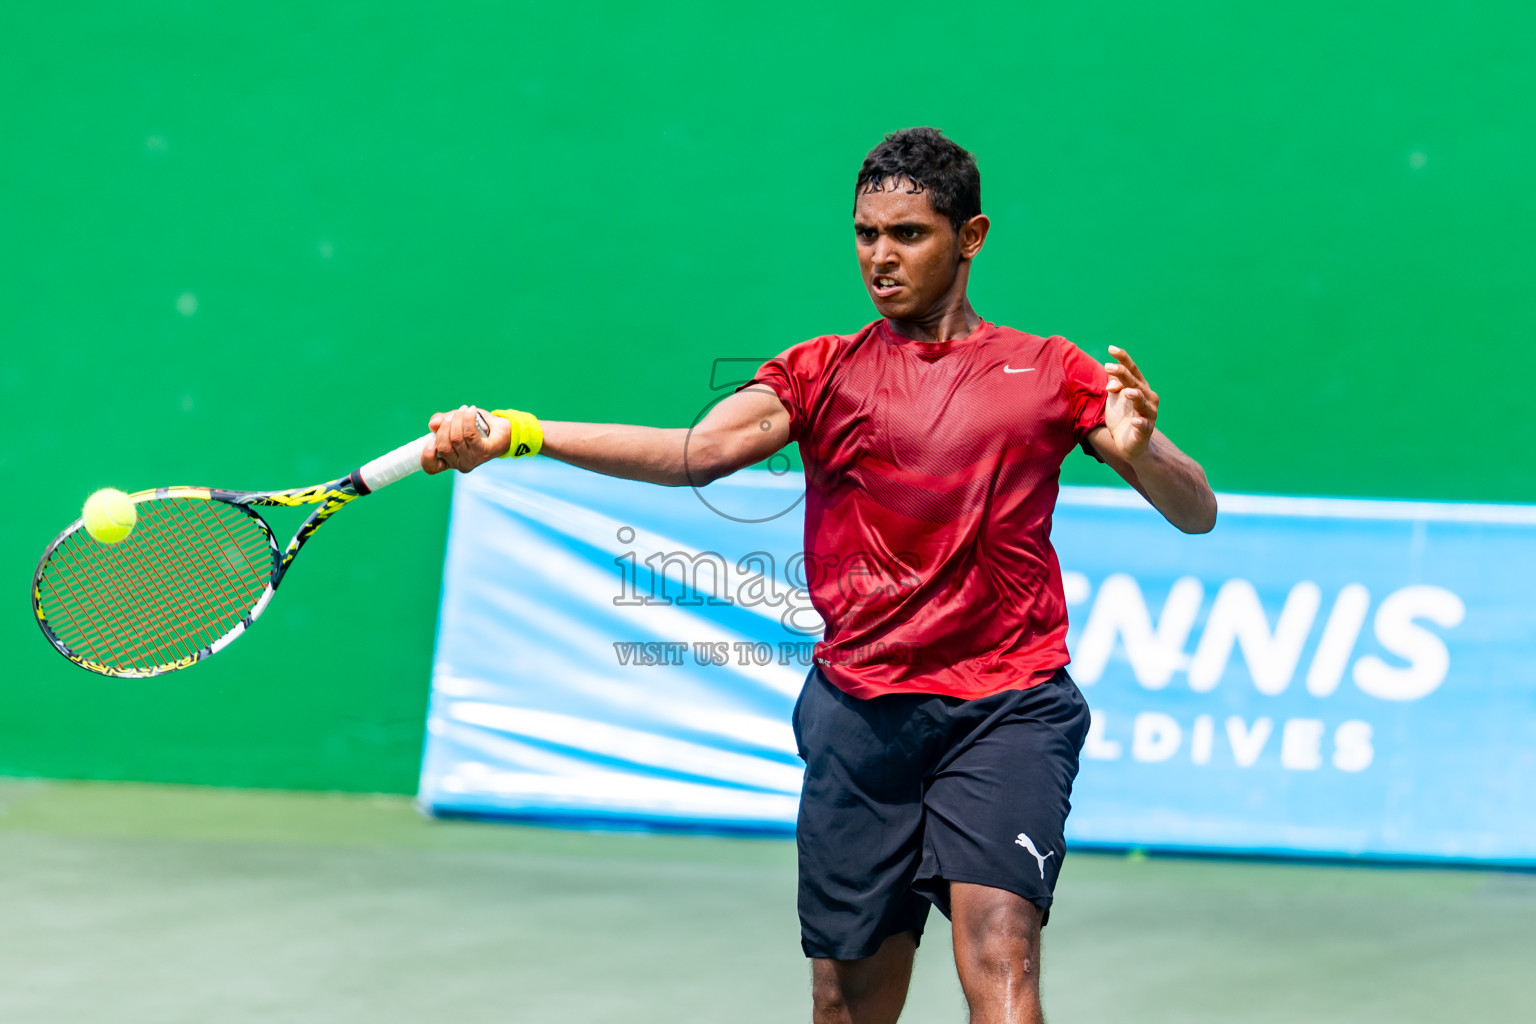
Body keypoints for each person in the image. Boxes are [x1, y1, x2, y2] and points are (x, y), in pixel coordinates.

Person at [422, 126, 1216, 1024]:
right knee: (845, 998)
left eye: (908, 234)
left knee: (1001, 950)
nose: (881, 257)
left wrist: (1144, 452)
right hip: (861, 716)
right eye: (866, 234)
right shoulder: (819, 372)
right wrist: (524, 432)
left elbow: (1196, 508)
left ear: (971, 237)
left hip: (1008, 708)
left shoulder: (1048, 370)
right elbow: (700, 452)